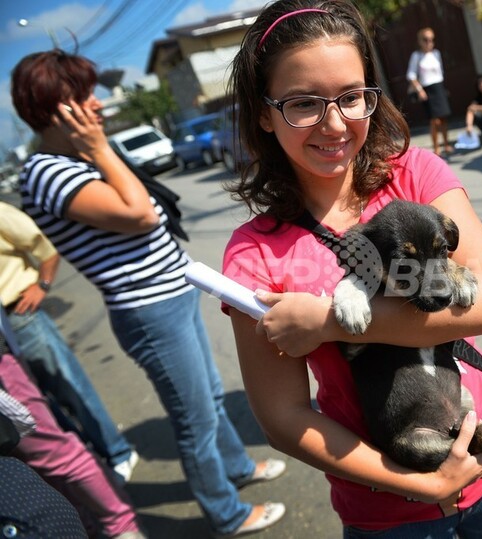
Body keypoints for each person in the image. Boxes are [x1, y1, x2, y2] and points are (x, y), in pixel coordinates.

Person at [225, 1, 482, 537]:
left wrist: (330, 322)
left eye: (351, 97)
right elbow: (283, 418)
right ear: (262, 112)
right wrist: (422, 483)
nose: (334, 123)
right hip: (391, 505)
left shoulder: (415, 175)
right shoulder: (254, 254)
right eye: (302, 103)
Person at [11, 50, 286, 537]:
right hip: (148, 310)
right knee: (195, 420)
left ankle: (237, 467)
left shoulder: (73, 160)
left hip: (171, 296)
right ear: (55, 108)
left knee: (211, 401)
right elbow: (140, 214)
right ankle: (225, 513)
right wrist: (99, 149)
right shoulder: (46, 171)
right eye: (82, 95)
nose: (96, 106)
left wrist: (96, 151)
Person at [0, 200, 139, 483]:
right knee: (36, 406)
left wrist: (43, 285)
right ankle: (87, 462)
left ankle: (118, 453)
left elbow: (45, 248)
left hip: (19, 314)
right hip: (5, 332)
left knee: (69, 387)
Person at [1, 312, 145, 539]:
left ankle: (123, 527)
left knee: (55, 452)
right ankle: (89, 526)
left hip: (5, 373)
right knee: (36, 467)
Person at [407, 27, 454, 157]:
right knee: (434, 120)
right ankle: (436, 147)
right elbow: (411, 75)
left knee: (443, 118)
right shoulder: (416, 56)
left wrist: (443, 88)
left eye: (432, 40)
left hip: (438, 87)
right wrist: (419, 90)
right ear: (420, 41)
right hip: (427, 89)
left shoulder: (436, 53)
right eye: (426, 40)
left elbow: (441, 72)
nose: (429, 42)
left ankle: (446, 144)